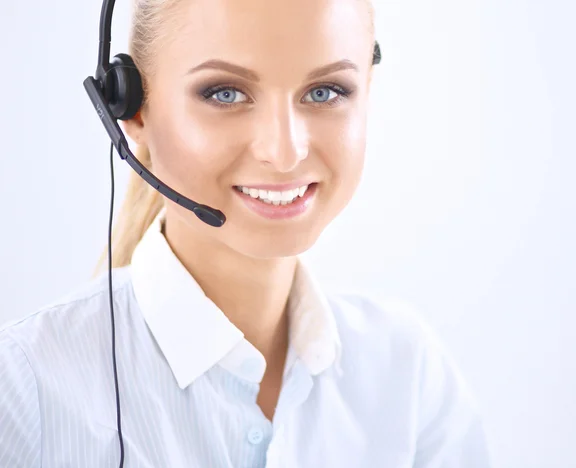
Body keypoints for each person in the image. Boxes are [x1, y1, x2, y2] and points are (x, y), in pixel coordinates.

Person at [0, 0, 492, 466]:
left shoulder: (408, 375)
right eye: (225, 93)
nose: (284, 152)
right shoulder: (28, 389)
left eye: (325, 91)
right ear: (130, 109)